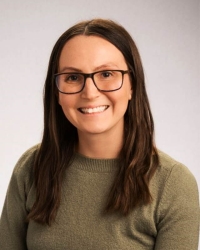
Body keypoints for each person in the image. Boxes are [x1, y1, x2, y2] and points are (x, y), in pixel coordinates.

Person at [0, 18, 199, 250]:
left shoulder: (172, 184)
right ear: (57, 92)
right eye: (73, 77)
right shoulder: (31, 168)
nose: (90, 93)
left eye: (106, 74)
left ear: (132, 84)